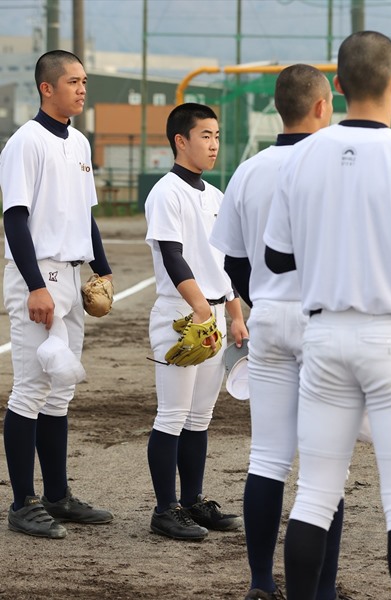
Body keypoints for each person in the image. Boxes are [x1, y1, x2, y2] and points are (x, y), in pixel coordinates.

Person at [264, 31, 391, 600]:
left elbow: (277, 255)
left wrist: (332, 240)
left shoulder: (301, 156)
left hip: (324, 336)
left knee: (314, 494)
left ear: (340, 85)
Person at [210, 65, 344, 600]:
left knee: (267, 458)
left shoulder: (249, 170)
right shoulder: (339, 166)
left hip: (268, 319)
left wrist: (262, 296)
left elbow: (234, 263)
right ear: (320, 106)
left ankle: (262, 583)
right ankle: (323, 589)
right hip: (322, 323)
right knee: (324, 464)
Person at [0, 50, 114, 539]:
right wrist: (33, 286)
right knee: (30, 389)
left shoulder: (81, 142)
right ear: (47, 87)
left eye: (84, 80)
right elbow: (14, 217)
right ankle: (22, 503)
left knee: (60, 391)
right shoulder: (24, 143)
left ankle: (57, 495)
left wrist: (103, 270)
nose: (82, 88)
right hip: (38, 277)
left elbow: (84, 214)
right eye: (73, 81)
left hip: (69, 275)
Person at [144, 102, 248, 540]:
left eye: (217, 135)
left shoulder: (216, 196)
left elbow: (222, 261)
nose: (213, 144)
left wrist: (235, 312)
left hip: (212, 316)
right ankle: (164, 509)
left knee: (199, 417)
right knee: (171, 415)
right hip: (179, 316)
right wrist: (200, 307)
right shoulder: (166, 192)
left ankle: (192, 501)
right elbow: (172, 255)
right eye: (205, 135)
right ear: (180, 141)